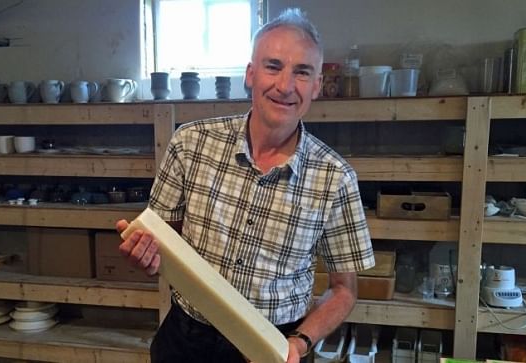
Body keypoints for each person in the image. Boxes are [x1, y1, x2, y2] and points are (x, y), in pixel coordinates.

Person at [116, 7, 374, 363]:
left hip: (276, 346)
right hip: (188, 339)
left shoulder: (335, 178)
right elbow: (163, 243)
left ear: (317, 86)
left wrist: (297, 344)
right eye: (273, 66)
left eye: (302, 72)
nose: (285, 86)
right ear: (250, 74)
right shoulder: (190, 143)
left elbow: (344, 290)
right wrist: (146, 254)